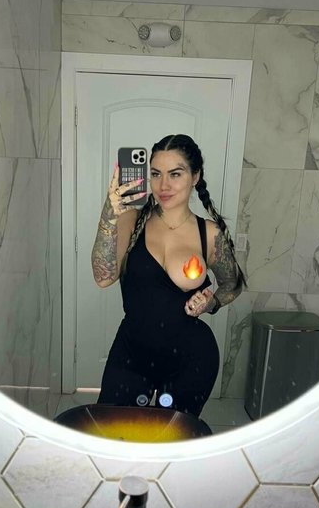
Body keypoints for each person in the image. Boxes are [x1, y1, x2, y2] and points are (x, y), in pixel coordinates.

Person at [91, 134, 245, 418]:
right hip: (132, 352)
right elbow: (103, 276)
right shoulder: (132, 221)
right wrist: (110, 210)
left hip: (190, 357)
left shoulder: (209, 234)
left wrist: (210, 302)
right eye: (155, 174)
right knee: (112, 429)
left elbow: (232, 284)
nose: (163, 185)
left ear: (195, 176)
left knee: (174, 435)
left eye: (175, 174)